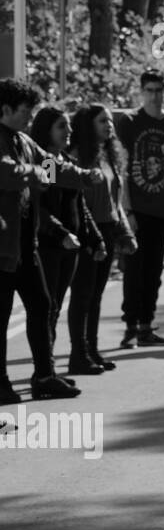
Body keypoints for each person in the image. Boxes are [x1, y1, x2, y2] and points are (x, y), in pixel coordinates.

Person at [0, 80, 100, 404]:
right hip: (1, 248)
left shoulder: (25, 142)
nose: (30, 117)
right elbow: (7, 172)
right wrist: (33, 173)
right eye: (25, 110)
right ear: (5, 110)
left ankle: (45, 376)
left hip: (24, 247)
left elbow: (53, 168)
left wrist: (84, 176)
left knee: (42, 306)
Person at [116, 70, 164, 348]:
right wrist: (127, 211)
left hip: (161, 210)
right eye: (149, 90)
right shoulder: (129, 122)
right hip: (135, 209)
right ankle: (130, 326)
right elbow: (121, 167)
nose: (155, 96)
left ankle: (146, 325)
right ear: (141, 91)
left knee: (153, 272)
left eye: (159, 90)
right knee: (133, 269)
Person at [31, 107, 105, 372]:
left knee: (55, 308)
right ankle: (45, 370)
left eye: (69, 126)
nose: (69, 131)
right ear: (47, 130)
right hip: (50, 247)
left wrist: (94, 238)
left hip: (71, 246)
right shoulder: (48, 164)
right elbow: (42, 205)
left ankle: (55, 366)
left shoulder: (61, 161)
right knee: (47, 310)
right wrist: (59, 233)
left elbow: (79, 204)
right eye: (62, 126)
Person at [67, 105, 137, 375]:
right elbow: (59, 194)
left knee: (95, 295)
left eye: (110, 121)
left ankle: (92, 350)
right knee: (82, 294)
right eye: (102, 121)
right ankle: (78, 354)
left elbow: (115, 201)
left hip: (107, 229)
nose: (109, 125)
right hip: (86, 230)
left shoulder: (109, 156)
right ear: (87, 125)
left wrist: (124, 232)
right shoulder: (74, 156)